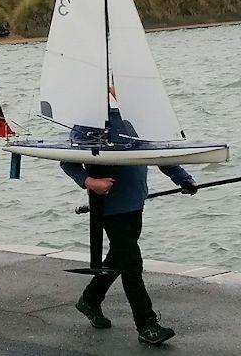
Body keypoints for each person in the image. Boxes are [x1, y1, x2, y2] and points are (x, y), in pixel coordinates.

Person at [61, 110, 197, 346]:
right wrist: (90, 182)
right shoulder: (89, 122)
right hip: (109, 206)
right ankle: (147, 325)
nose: (118, 88)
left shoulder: (138, 115)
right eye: (113, 82)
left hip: (135, 201)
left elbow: (157, 153)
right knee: (132, 263)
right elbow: (67, 160)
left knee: (119, 257)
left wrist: (183, 179)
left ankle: (90, 299)